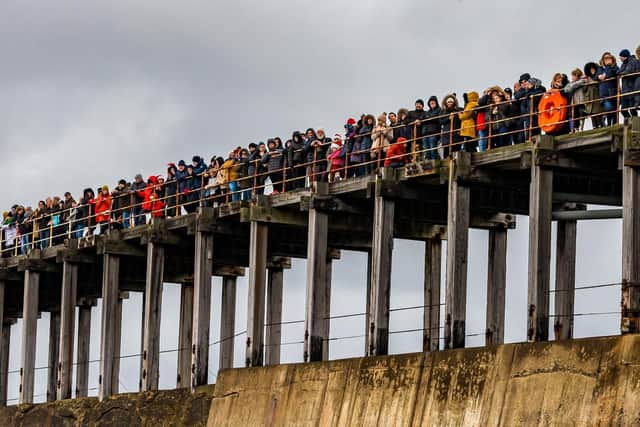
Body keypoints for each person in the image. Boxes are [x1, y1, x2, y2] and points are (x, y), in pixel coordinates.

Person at [596, 52, 619, 126]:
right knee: (609, 108)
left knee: (615, 111)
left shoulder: (615, 67)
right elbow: (597, 77)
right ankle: (608, 124)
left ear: (612, 59)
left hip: (614, 92)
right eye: (605, 58)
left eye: (609, 58)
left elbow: (609, 75)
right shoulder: (600, 68)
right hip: (604, 94)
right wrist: (600, 77)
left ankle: (614, 124)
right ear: (602, 60)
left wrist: (608, 67)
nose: (607, 60)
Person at [618, 49, 640, 118]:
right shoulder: (624, 64)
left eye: (621, 56)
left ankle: (635, 123)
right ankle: (630, 122)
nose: (620, 58)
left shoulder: (633, 61)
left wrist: (621, 74)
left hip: (631, 89)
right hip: (625, 91)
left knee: (632, 109)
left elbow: (629, 71)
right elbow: (619, 72)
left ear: (624, 56)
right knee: (623, 110)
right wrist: (619, 73)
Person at [583, 62, 605, 128]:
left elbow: (599, 85)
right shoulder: (586, 78)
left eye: (593, 69)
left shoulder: (597, 76)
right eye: (590, 69)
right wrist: (585, 83)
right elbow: (584, 90)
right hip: (589, 98)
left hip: (596, 97)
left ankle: (601, 125)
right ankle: (594, 126)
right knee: (592, 114)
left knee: (598, 113)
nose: (592, 70)